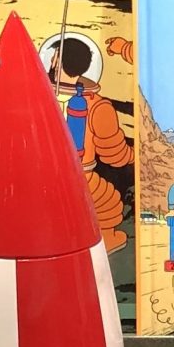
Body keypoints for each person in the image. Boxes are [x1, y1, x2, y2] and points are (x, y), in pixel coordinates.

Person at [40, 31, 135, 252]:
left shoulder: (35, 97)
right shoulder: (97, 105)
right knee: (108, 204)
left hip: (41, 177)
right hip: (83, 180)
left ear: (56, 60)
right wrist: (134, 155)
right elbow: (114, 154)